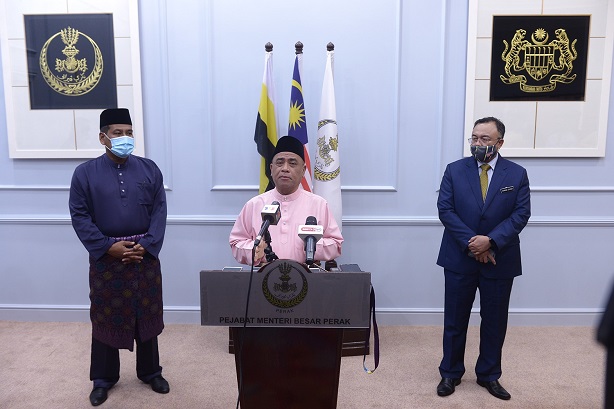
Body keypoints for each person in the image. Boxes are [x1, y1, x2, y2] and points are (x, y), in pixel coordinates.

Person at [69, 108, 170, 406]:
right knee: (105, 316)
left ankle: (151, 372)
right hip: (107, 258)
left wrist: (148, 245)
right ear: (103, 137)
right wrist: (105, 246)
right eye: (118, 133)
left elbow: (160, 210)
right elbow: (79, 215)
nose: (125, 138)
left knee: (147, 313)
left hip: (144, 255)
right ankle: (103, 379)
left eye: (129, 132)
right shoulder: (84, 173)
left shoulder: (149, 169)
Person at [435, 117, 531, 400]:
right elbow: (445, 210)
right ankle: (450, 373)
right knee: (455, 320)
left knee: (494, 321)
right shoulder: (454, 170)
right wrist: (474, 243)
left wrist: (490, 241)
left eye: (485, 139)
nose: (478, 143)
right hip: (459, 257)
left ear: (499, 143)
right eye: (474, 138)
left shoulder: (517, 174)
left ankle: (489, 375)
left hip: (500, 258)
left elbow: (521, 214)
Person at [229, 136, 343, 265]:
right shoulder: (254, 204)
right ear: (271, 168)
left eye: (292, 163)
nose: (285, 168)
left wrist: (311, 246)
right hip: (265, 274)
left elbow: (336, 244)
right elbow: (236, 242)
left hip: (306, 274)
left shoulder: (318, 204)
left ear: (303, 170)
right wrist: (253, 249)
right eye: (279, 163)